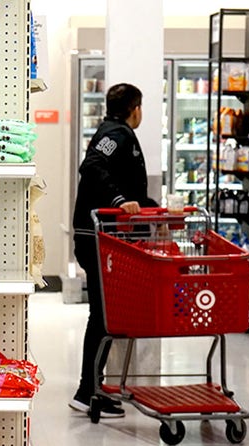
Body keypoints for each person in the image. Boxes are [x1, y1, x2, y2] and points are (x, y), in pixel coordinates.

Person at [70, 83, 158, 418]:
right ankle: (87, 391)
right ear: (135, 108)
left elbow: (128, 189)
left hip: (103, 238)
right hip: (96, 238)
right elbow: (92, 166)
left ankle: (91, 387)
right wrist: (119, 201)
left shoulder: (117, 133)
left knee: (106, 316)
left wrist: (152, 209)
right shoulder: (116, 134)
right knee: (102, 316)